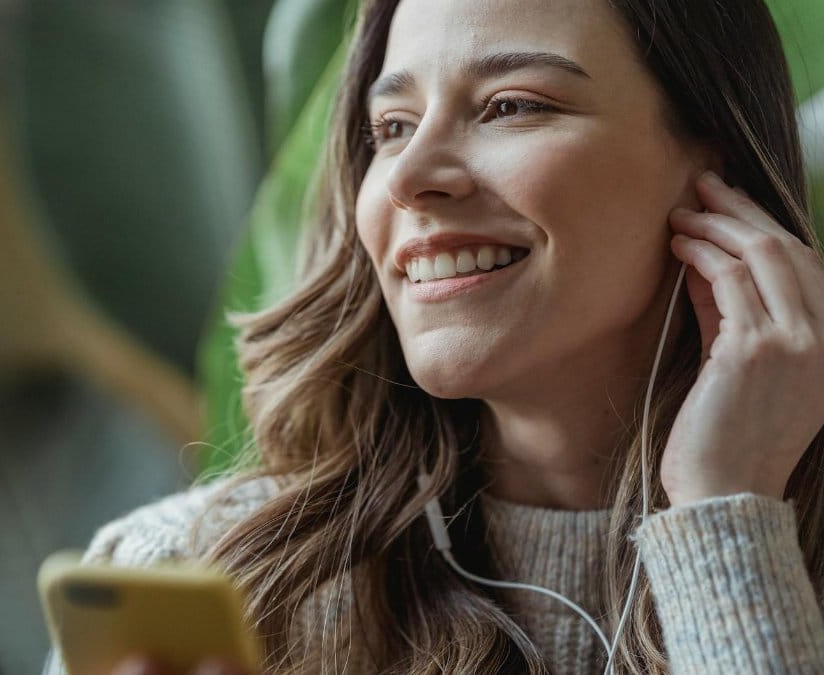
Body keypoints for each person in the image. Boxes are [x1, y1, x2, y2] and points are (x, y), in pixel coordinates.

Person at [43, 0, 824, 672]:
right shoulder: (197, 573)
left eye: (511, 106)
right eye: (392, 126)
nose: (410, 176)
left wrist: (728, 516)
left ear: (713, 164)